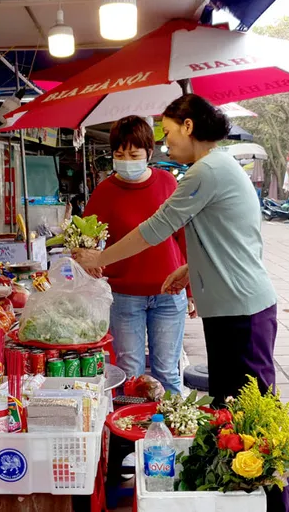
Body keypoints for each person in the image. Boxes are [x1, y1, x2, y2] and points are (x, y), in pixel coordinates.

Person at [74, 95, 289, 511]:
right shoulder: (220, 166)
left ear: (189, 127)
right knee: (231, 414)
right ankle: (239, 499)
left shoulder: (204, 170)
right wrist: (192, 268)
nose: (166, 141)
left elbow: (157, 227)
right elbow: (231, 234)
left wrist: (100, 258)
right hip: (233, 307)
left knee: (254, 418)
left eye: (169, 132)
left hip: (241, 312)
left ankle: (275, 504)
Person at [82, 116, 189, 394]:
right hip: (125, 298)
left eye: (134, 154)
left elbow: (184, 236)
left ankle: (173, 432)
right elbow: (85, 238)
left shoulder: (167, 183)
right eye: (120, 154)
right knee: (130, 375)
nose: (127, 160)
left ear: (149, 154)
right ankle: (129, 434)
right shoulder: (104, 192)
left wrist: (192, 289)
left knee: (167, 372)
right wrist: (86, 256)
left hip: (169, 293)